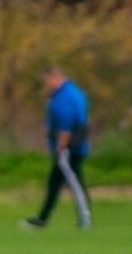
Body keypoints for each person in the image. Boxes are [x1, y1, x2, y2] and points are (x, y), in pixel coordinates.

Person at [21, 65, 92, 229]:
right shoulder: (72, 91)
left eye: (47, 80)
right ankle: (42, 219)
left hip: (68, 148)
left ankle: (86, 218)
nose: (45, 83)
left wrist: (60, 148)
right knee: (54, 183)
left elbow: (65, 126)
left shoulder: (64, 96)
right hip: (72, 146)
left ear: (55, 78)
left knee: (75, 182)